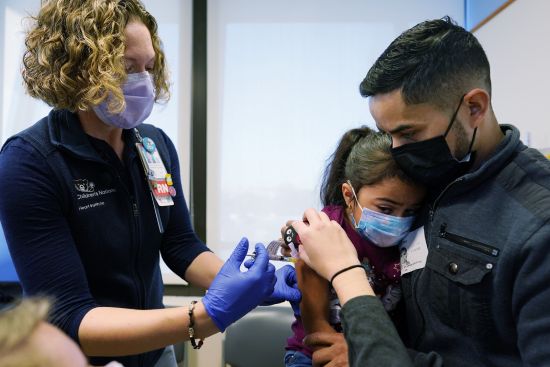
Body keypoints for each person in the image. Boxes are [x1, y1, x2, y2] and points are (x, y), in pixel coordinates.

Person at [0, 1, 299, 366]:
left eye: (149, 67)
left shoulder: (151, 144)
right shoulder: (30, 162)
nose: (143, 81)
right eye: (127, 68)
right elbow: (70, 318)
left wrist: (247, 282)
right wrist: (203, 316)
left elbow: (179, 243)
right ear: (79, 68)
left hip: (155, 355)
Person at [291, 16, 550, 367]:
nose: (398, 151)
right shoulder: (432, 176)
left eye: (409, 134)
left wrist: (375, 348)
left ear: (474, 107)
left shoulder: (537, 224)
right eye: (388, 134)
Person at [284, 126, 425, 366]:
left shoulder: (413, 238)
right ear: (349, 196)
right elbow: (316, 326)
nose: (398, 221)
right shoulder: (322, 231)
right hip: (315, 354)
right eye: (386, 209)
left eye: (409, 211)